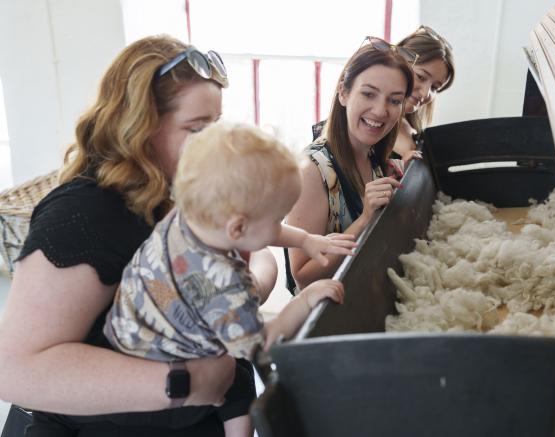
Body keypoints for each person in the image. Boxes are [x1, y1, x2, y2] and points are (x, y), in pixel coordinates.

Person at [0, 35, 253, 436]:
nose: (214, 145)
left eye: (215, 126)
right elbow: (15, 370)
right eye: (196, 129)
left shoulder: (178, 189)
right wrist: (186, 382)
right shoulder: (83, 214)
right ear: (141, 127)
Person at [103, 120, 346, 437]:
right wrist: (304, 300)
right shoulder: (228, 287)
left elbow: (259, 227)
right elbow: (263, 344)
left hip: (127, 326)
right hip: (162, 365)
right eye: (278, 219)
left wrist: (304, 240)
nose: (279, 226)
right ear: (237, 229)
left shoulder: (188, 213)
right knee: (239, 378)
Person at [286, 37, 415, 291]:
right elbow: (303, 277)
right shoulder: (311, 170)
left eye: (394, 100)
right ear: (344, 93)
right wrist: (365, 219)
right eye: (368, 94)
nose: (380, 111)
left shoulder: (374, 156)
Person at [393, 25, 455, 160]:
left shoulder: (414, 130)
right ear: (397, 62)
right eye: (420, 76)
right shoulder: (368, 127)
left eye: (434, 87)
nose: (425, 93)